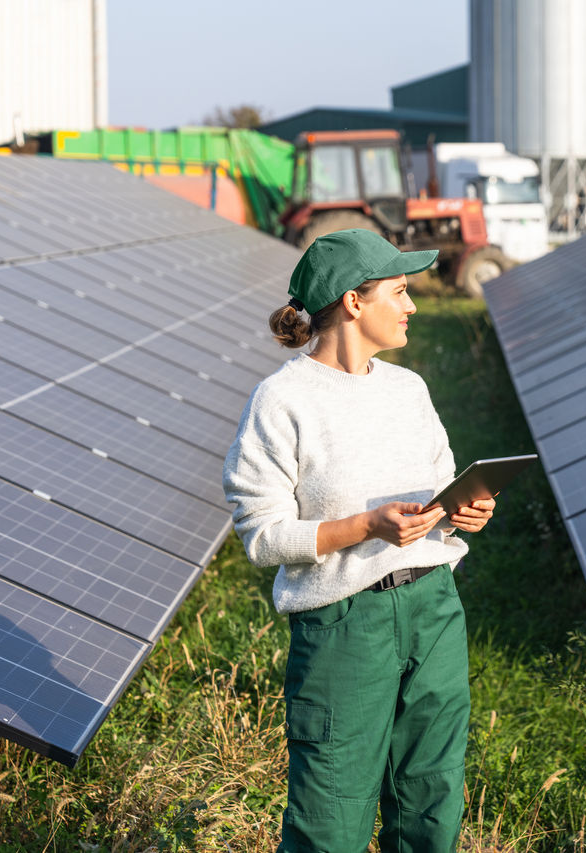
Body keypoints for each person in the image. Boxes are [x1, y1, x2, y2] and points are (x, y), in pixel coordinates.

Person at [222, 228, 495, 852]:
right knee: (331, 816)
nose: (413, 305)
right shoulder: (282, 400)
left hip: (434, 610)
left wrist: (462, 511)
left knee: (431, 799)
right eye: (400, 292)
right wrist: (367, 527)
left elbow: (439, 486)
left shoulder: (409, 389)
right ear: (353, 301)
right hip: (345, 625)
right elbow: (263, 536)